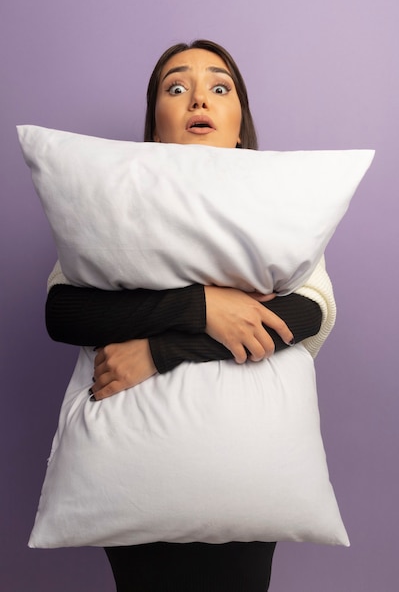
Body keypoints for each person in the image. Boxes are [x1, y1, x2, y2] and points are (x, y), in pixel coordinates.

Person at [45, 40, 336, 591]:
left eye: (219, 87)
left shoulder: (279, 203)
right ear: (156, 125)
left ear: (238, 123)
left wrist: (162, 350)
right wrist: (199, 306)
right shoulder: (114, 199)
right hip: (132, 464)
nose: (198, 98)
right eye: (176, 88)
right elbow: (66, 312)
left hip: (247, 462)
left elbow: (309, 311)